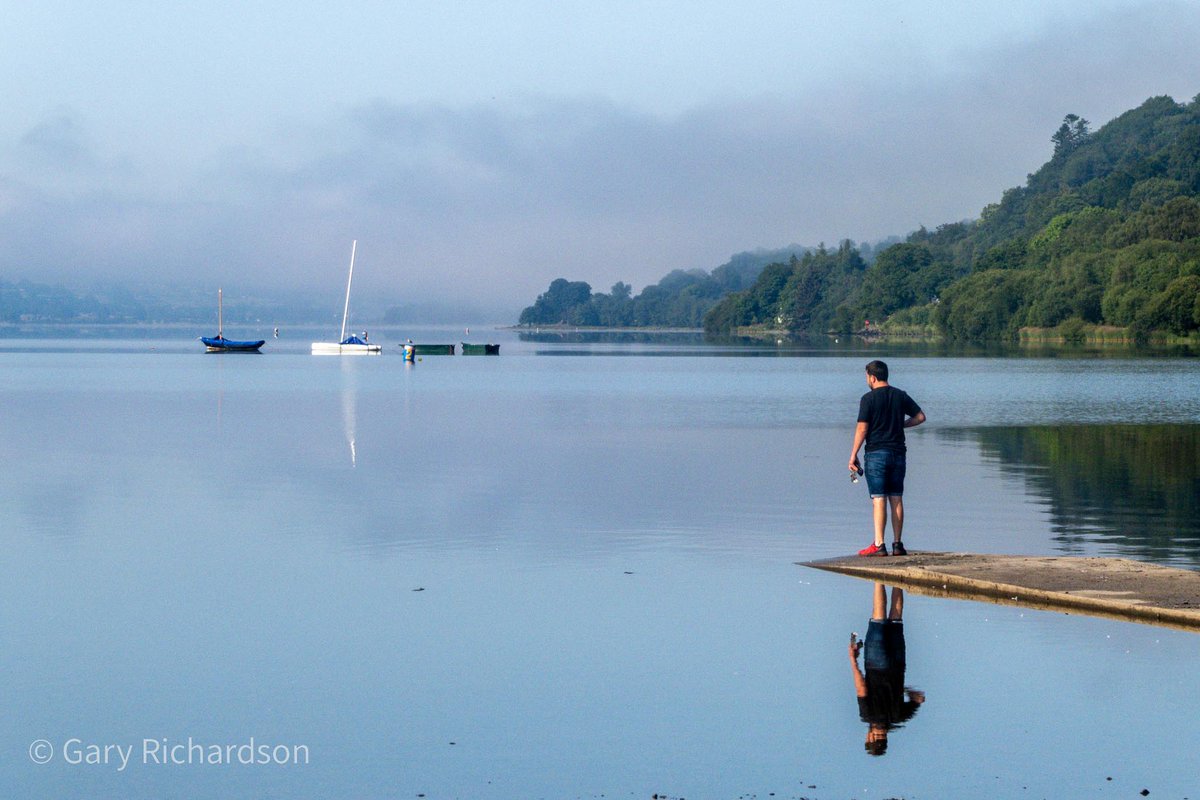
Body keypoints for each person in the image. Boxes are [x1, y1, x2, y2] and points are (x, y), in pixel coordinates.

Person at [848, 360, 925, 556]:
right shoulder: (900, 396)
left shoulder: (868, 399)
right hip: (898, 453)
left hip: (876, 454)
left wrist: (853, 454)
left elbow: (862, 428)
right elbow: (920, 417)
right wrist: (901, 425)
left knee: (879, 499)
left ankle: (879, 545)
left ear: (872, 377)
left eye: (866, 376)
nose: (867, 380)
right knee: (896, 498)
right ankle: (897, 544)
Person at [849, 582, 925, 756]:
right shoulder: (868, 716)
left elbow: (919, 698)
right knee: (878, 618)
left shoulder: (898, 718)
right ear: (871, 739)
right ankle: (879, 577)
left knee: (896, 618)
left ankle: (898, 577)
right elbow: (861, 688)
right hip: (876, 665)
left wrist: (902, 689)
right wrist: (852, 660)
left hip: (897, 664)